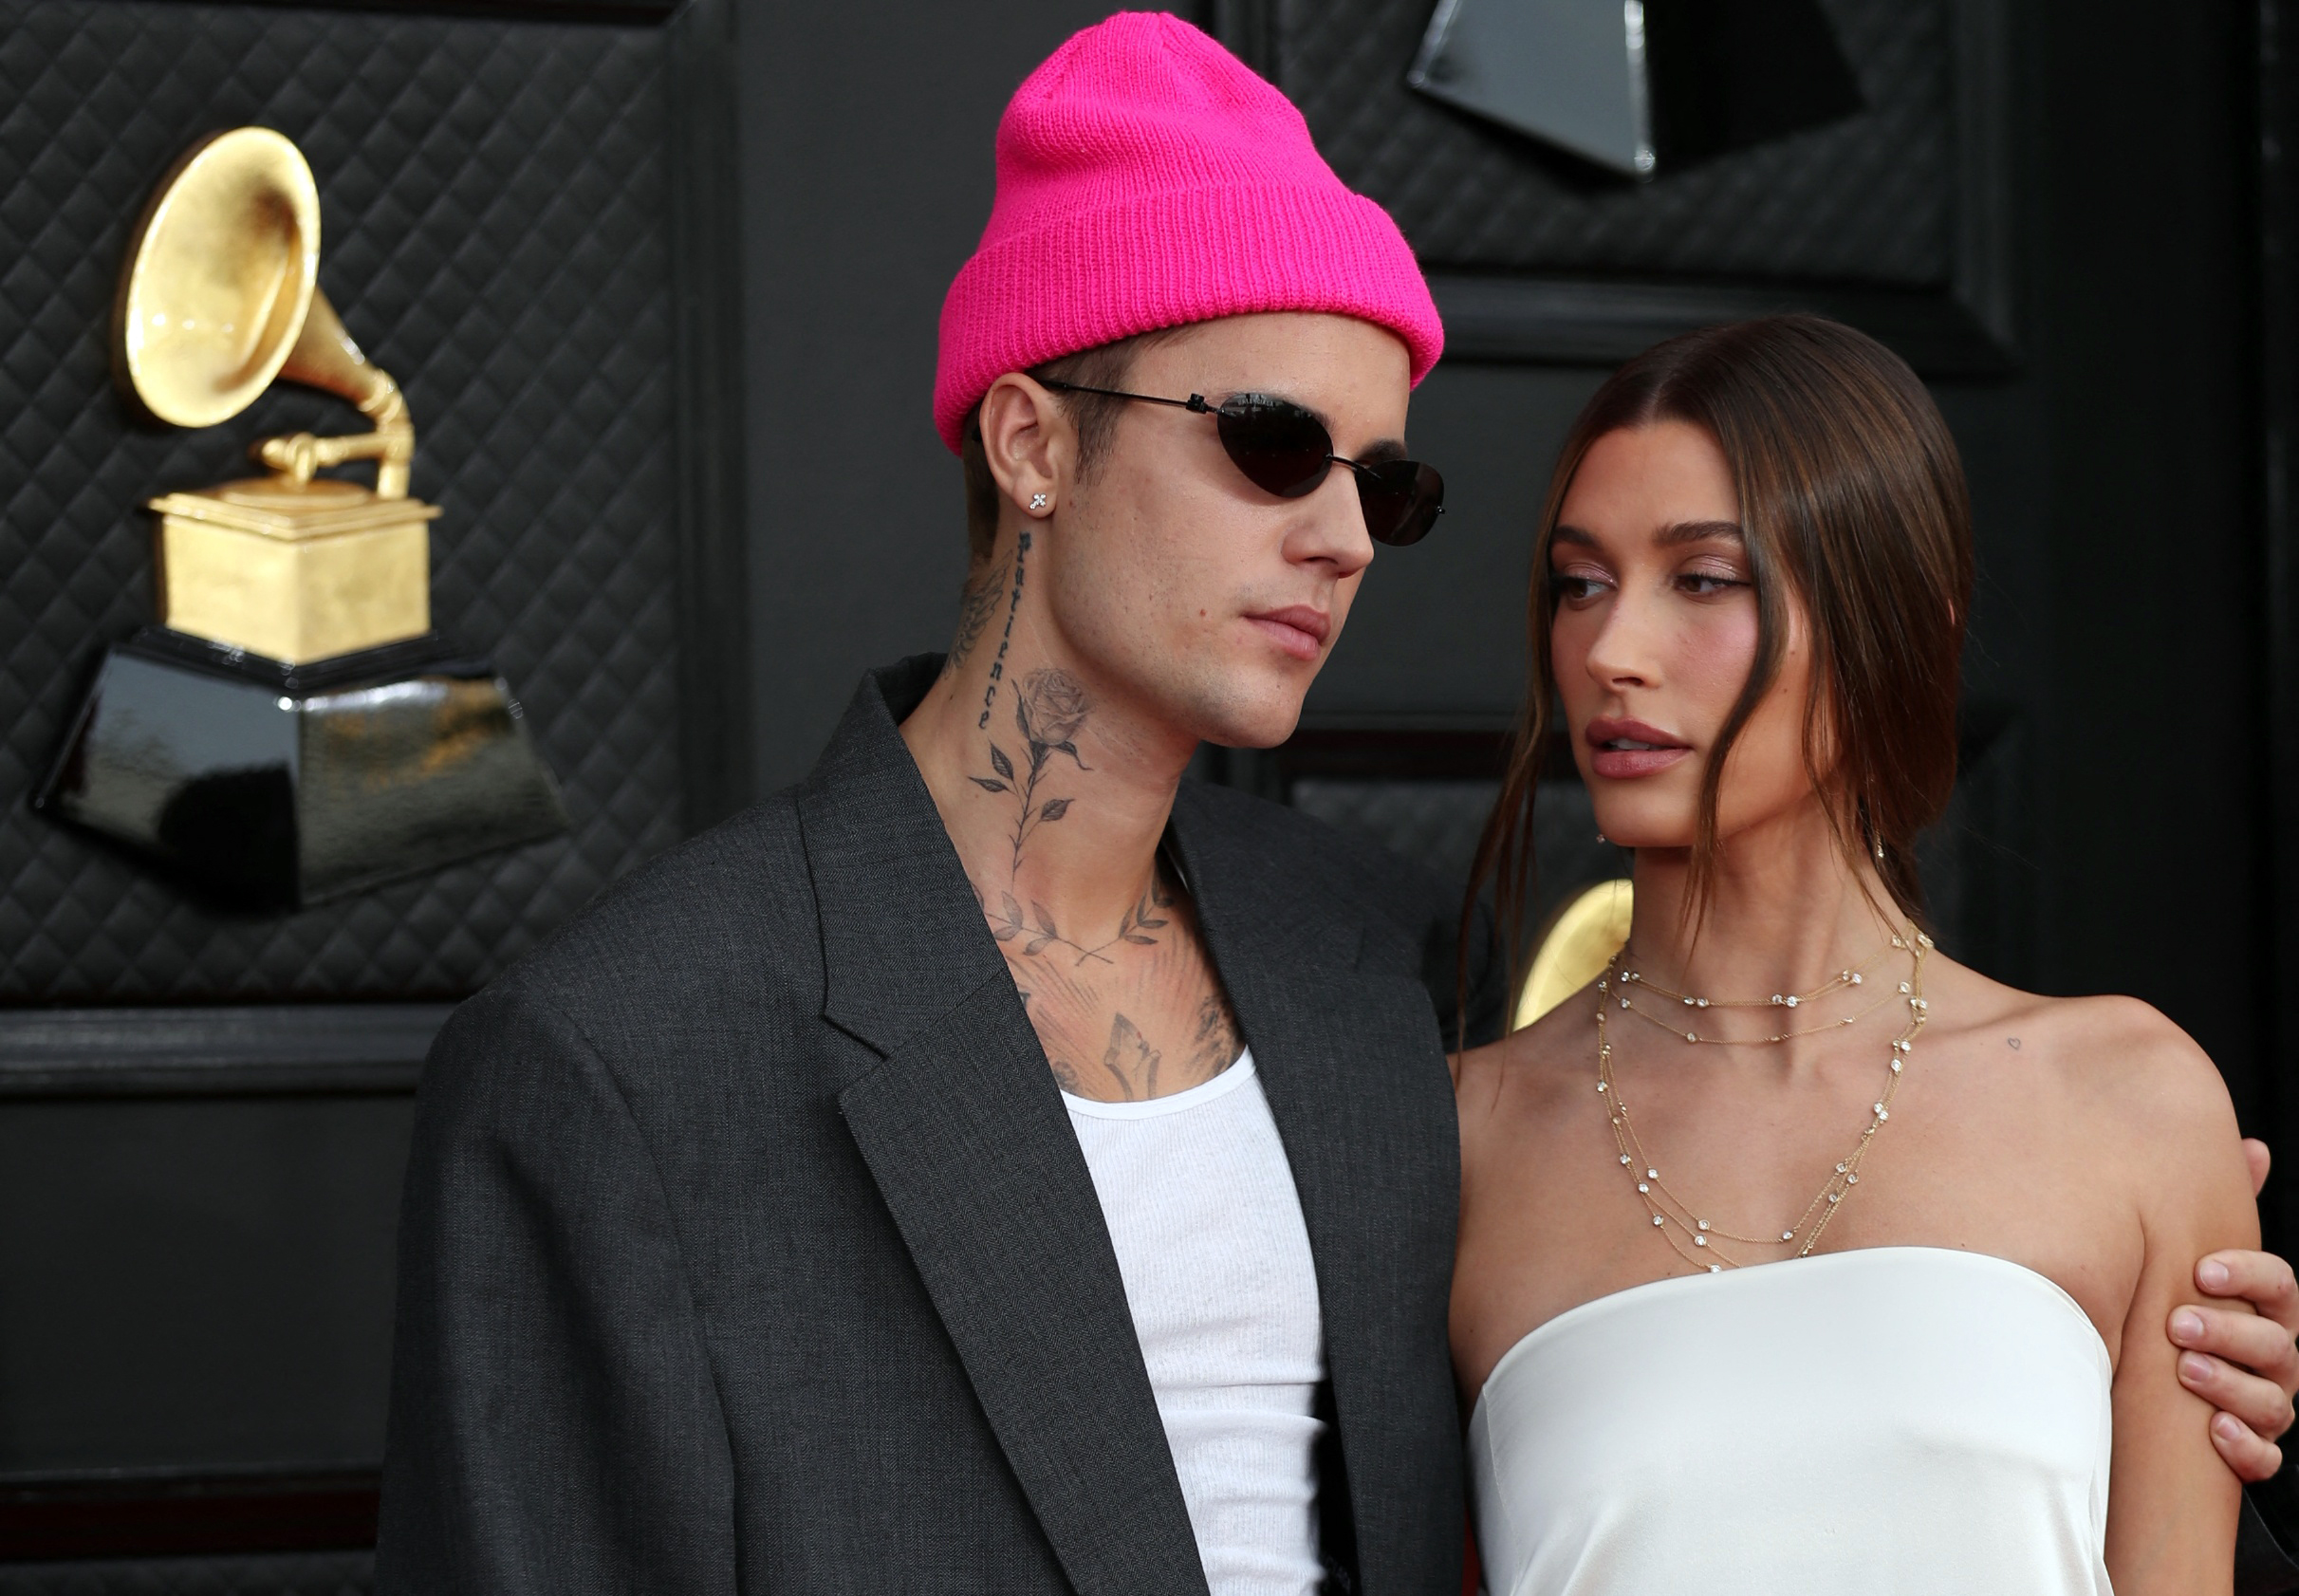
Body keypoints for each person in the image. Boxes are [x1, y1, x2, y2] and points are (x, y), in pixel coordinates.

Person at [376, 20, 2299, 1596]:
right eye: (1275, 444)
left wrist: (2130, 1337)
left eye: (1386, 484)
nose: (1341, 536)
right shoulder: (620, 1061)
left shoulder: (1362, 976)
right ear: (1033, 437)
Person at [1453, 314, 2299, 1595]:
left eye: (1702, 579)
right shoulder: (1459, 1142)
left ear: (1898, 620)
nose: (1611, 652)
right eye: (1581, 581)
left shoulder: (2132, 1101)